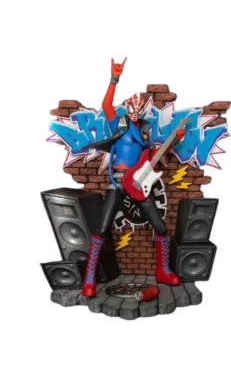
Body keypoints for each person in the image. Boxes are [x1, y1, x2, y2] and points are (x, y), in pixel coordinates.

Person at [82, 58, 185, 297]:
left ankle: (163, 271)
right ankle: (89, 280)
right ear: (128, 109)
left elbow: (153, 156)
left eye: (139, 111)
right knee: (101, 229)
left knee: (160, 228)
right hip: (118, 181)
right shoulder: (119, 123)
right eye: (132, 110)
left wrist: (175, 140)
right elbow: (106, 104)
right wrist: (114, 79)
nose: (135, 114)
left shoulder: (145, 132)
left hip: (138, 183)